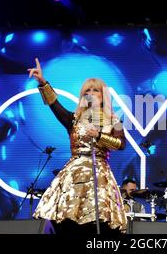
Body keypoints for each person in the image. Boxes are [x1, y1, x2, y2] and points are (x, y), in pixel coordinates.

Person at [28, 58, 127, 234]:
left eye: (95, 90)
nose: (90, 92)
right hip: (74, 173)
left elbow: (120, 145)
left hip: (99, 174)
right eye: (87, 90)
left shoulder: (114, 120)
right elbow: (54, 105)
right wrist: (43, 84)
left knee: (98, 222)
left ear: (103, 95)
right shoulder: (73, 119)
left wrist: (99, 136)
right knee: (67, 220)